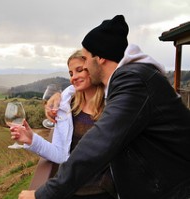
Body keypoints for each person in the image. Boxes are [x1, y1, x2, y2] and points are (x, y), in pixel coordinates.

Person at [19, 15, 190, 199]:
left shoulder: (133, 83)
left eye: (85, 59)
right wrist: (61, 94)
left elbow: (98, 143)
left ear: (99, 58)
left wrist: (43, 194)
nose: (83, 65)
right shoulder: (131, 79)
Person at [10, 50, 116, 198]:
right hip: (71, 189)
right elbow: (61, 155)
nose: (74, 77)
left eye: (80, 70)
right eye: (71, 73)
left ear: (93, 69)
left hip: (103, 191)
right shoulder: (67, 108)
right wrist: (31, 139)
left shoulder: (112, 105)